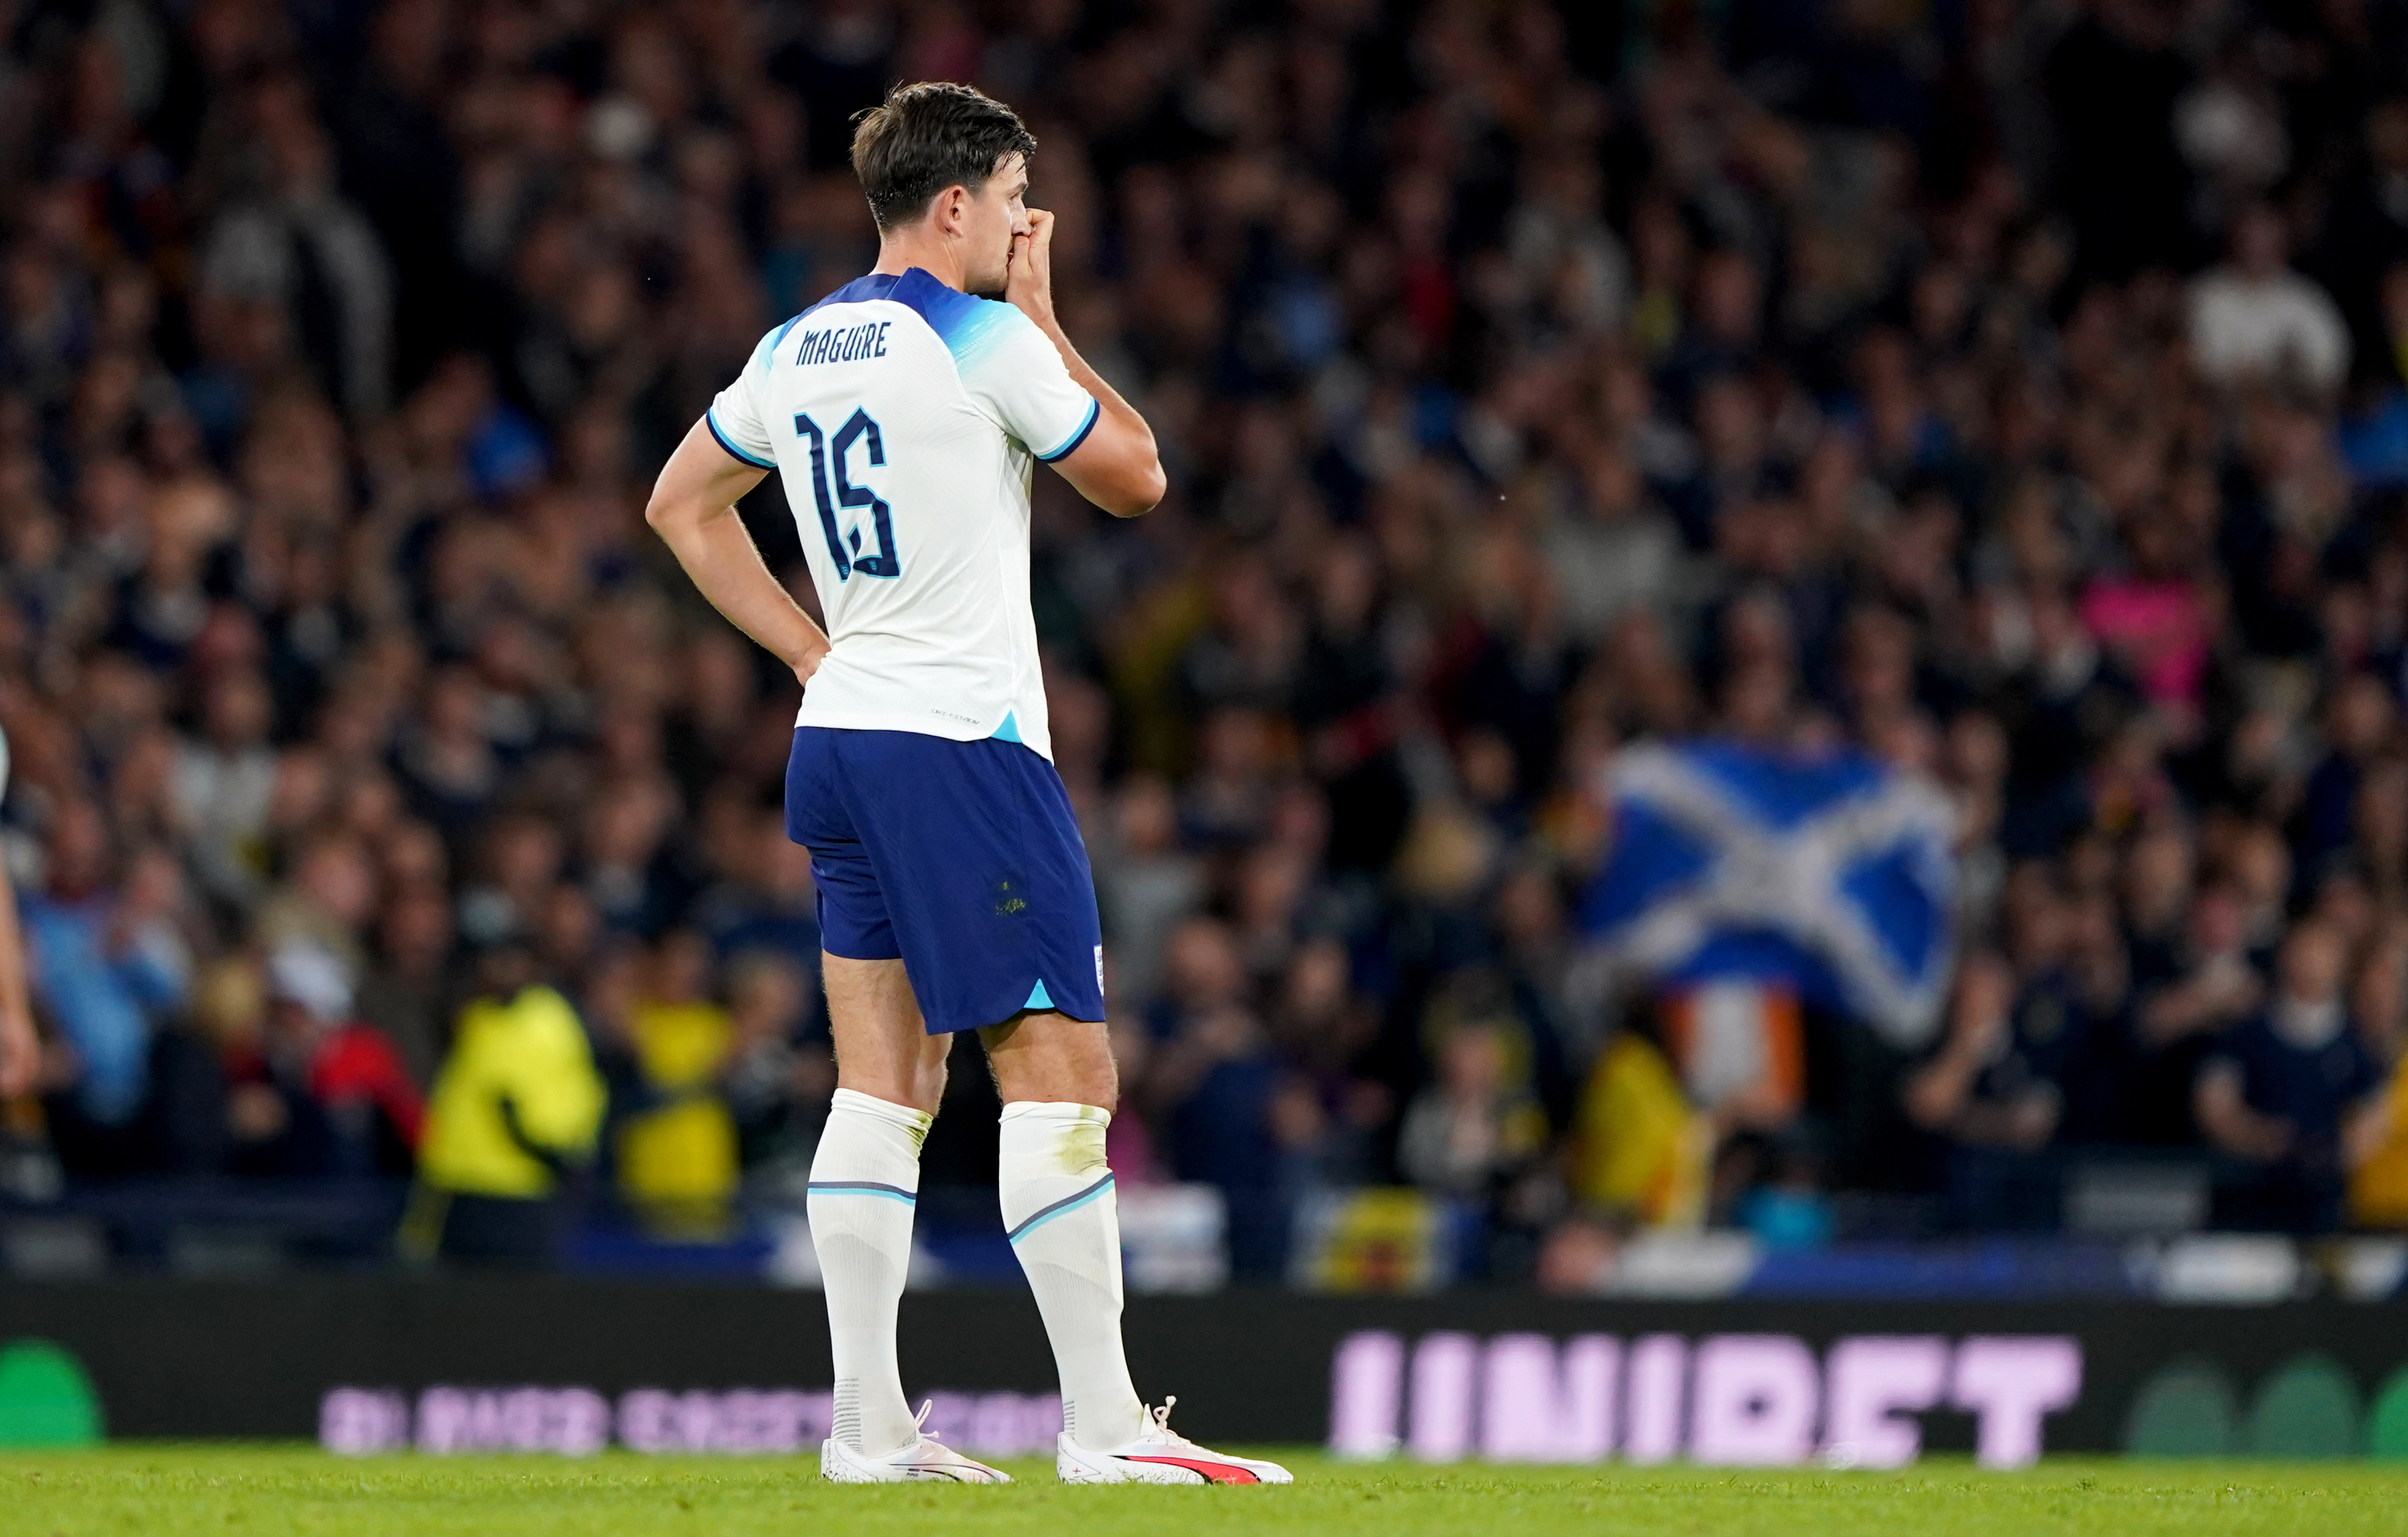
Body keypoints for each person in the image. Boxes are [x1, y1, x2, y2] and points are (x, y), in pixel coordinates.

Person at [643, 81, 1287, 1485]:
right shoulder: (984, 336)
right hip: (961, 746)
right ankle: (1105, 1427)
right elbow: (1138, 478)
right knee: (1061, 1067)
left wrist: (812, 653)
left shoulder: (794, 345)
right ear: (952, 206)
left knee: (882, 1087)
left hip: (844, 741)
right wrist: (1047, 313)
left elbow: (678, 506)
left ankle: (867, 1427)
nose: (1018, 222)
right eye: (1008, 199)